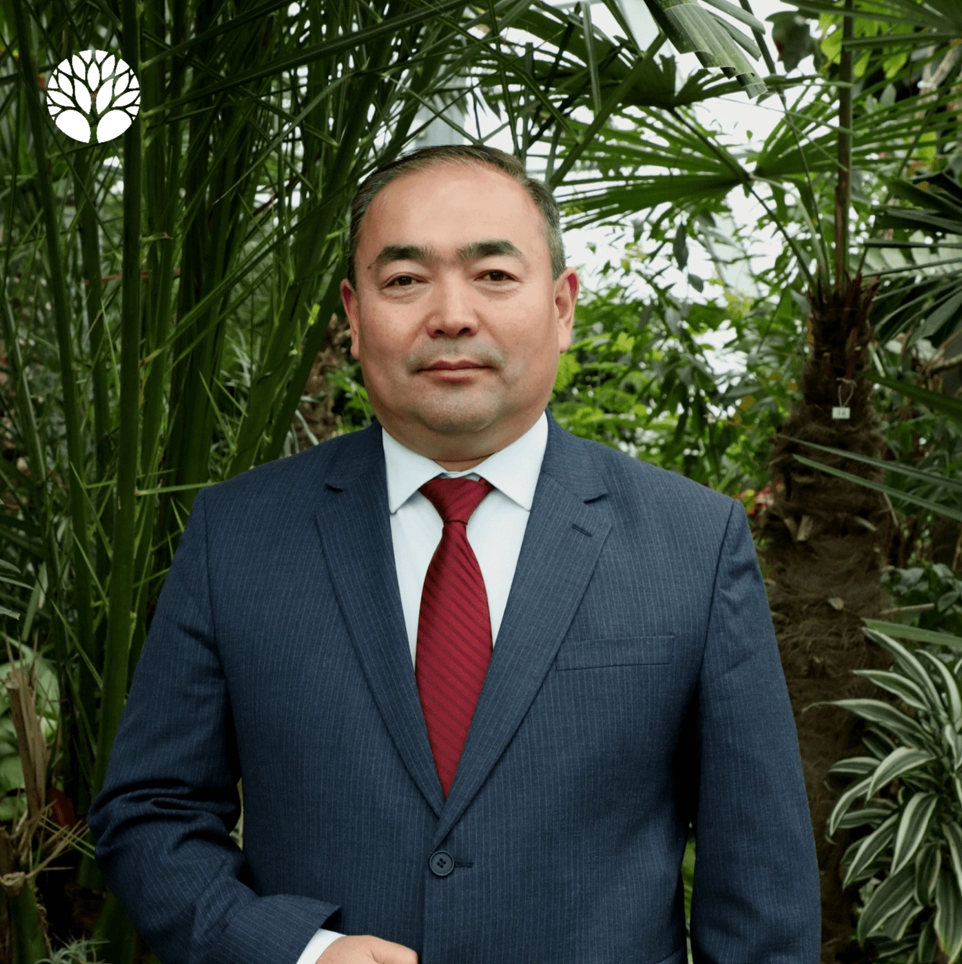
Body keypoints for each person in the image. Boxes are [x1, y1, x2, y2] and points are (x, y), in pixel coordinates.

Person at [89, 145, 821, 964]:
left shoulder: (693, 543)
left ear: (562, 306)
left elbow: (762, 894)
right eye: (406, 279)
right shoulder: (239, 535)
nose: (451, 315)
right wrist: (294, 951)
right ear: (354, 314)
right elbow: (150, 812)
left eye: (494, 275)